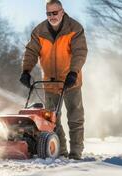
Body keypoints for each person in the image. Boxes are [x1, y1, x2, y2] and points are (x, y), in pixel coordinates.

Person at [20, 0, 88, 160]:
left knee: (75, 118)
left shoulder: (74, 28)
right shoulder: (39, 31)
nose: (52, 16)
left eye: (55, 13)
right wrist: (26, 71)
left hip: (71, 81)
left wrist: (73, 72)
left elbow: (80, 52)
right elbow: (31, 51)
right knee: (52, 121)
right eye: (48, 14)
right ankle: (61, 151)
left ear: (62, 11)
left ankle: (76, 153)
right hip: (50, 83)